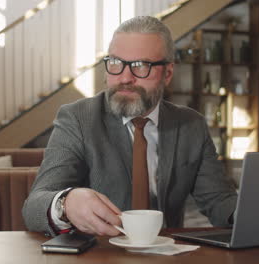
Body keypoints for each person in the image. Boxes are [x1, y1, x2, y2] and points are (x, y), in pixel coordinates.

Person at [23, 16, 237, 237]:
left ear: (168, 73)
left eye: (141, 66)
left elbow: (219, 199)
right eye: (115, 63)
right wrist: (65, 204)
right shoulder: (78, 119)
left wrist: (253, 213)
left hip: (165, 253)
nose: (125, 78)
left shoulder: (191, 125)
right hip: (99, 255)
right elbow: (34, 207)